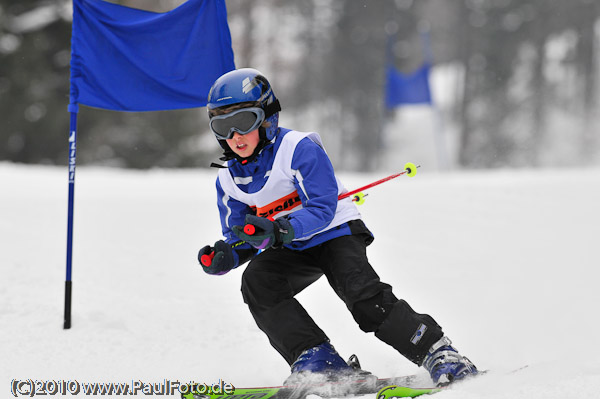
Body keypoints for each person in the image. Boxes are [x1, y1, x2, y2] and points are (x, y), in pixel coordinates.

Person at [198, 68, 477, 386]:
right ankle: (319, 361)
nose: (234, 136)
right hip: (291, 246)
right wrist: (229, 254)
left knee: (362, 298)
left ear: (266, 118)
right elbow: (244, 233)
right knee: (258, 281)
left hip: (335, 232)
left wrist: (279, 228)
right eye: (223, 126)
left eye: (244, 122)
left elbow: (321, 207)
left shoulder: (297, 149)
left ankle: (438, 352)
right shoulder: (228, 179)